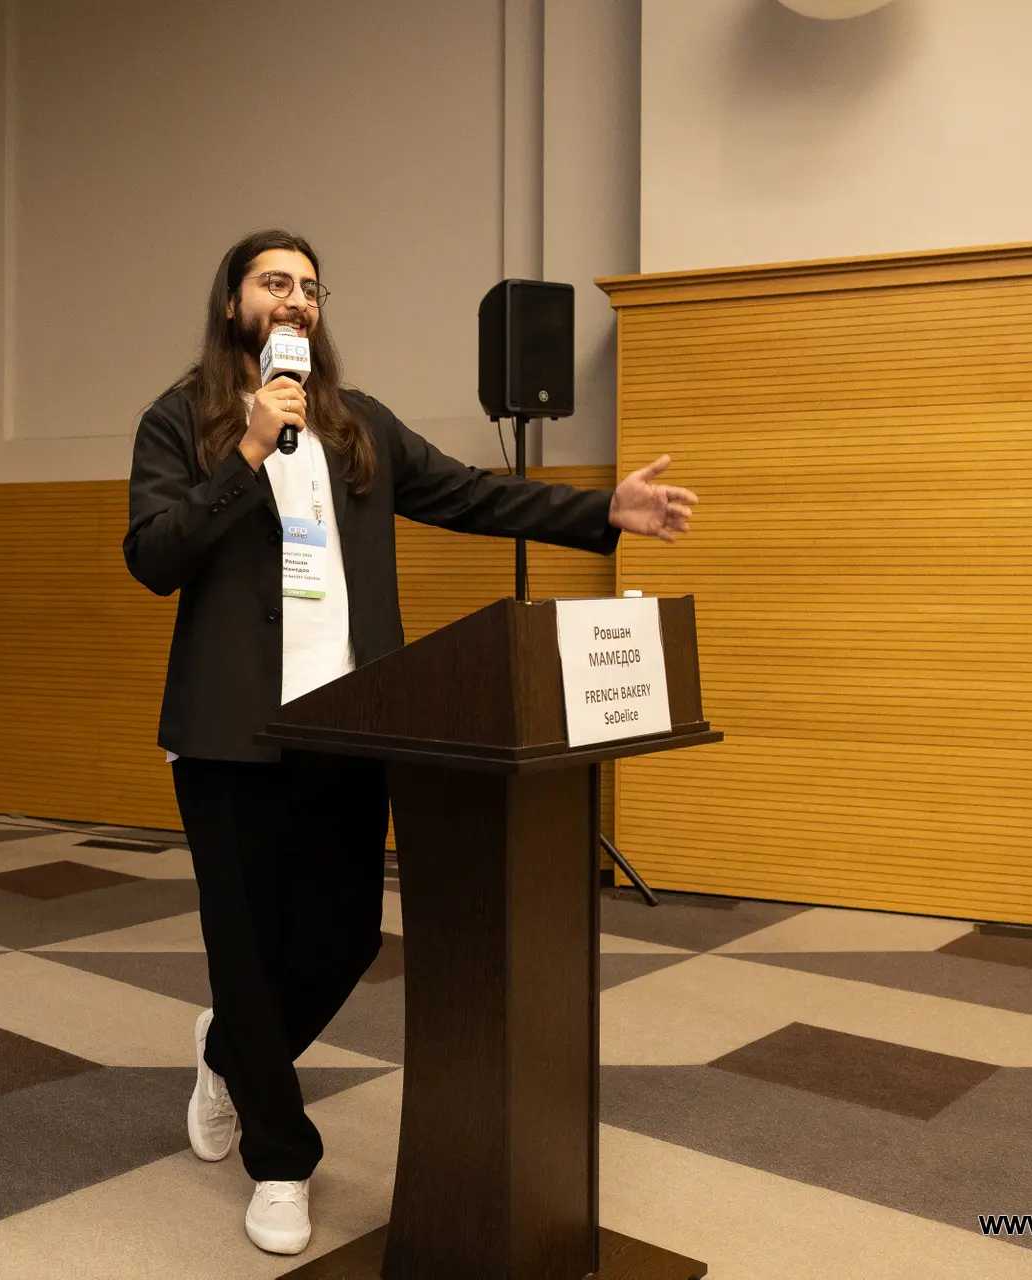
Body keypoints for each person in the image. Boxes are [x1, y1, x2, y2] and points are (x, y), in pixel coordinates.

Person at [123, 229, 696, 1256]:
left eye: (310, 286)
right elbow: (154, 557)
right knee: (244, 946)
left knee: (345, 936)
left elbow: (475, 495)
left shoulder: (360, 427)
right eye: (273, 282)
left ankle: (228, 1053)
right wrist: (247, 451)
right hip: (228, 734)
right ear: (232, 304)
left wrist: (601, 513)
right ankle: (283, 1159)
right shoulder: (181, 421)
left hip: (350, 726)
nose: (296, 299)